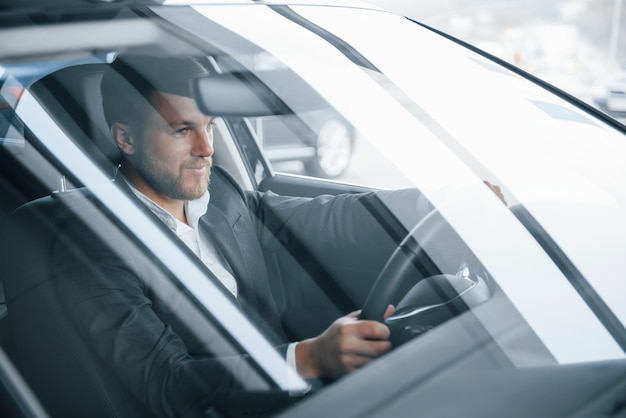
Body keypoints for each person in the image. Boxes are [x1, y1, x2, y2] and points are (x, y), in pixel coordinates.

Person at [52, 54, 500, 417]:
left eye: (209, 126)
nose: (206, 149)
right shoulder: (91, 244)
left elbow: (327, 218)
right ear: (125, 140)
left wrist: (435, 205)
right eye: (182, 129)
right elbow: (169, 383)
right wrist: (308, 360)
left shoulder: (222, 192)